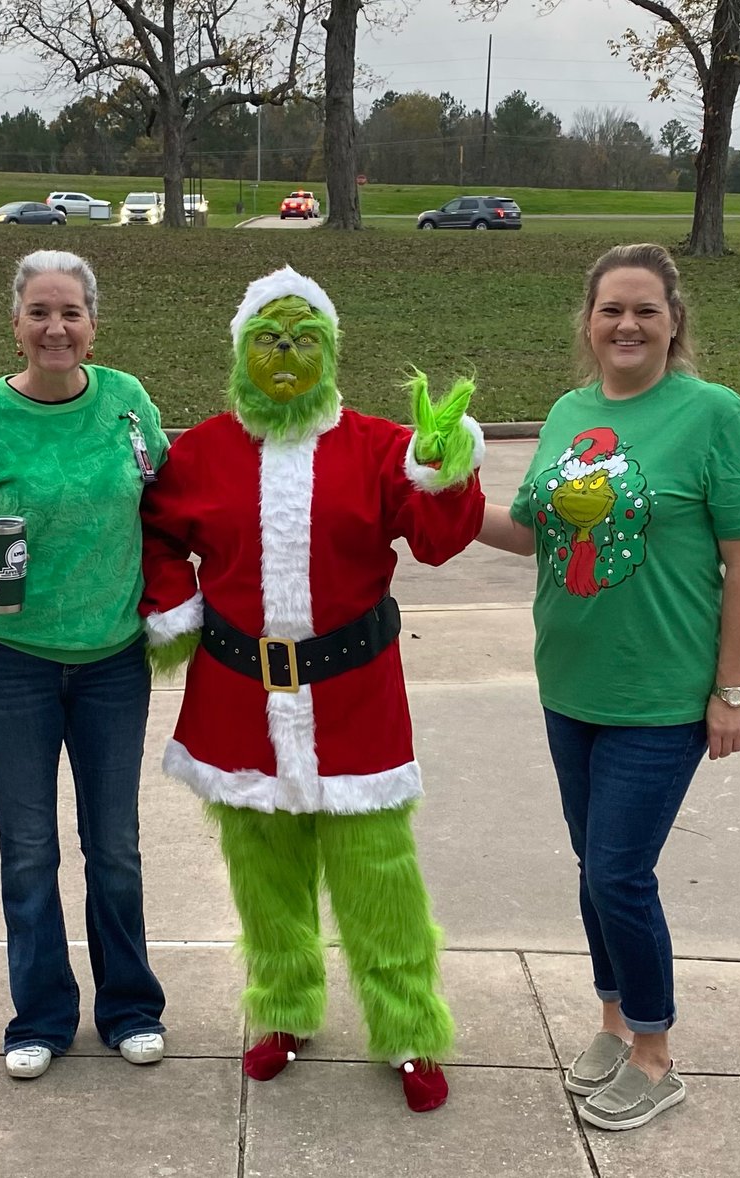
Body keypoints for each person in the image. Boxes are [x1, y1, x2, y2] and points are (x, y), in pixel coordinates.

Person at [137, 266, 485, 1111]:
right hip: (236, 703)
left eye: (303, 340)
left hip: (355, 700)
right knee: (263, 875)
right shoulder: (201, 451)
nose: (285, 355)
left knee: (378, 875)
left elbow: (438, 542)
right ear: (239, 352)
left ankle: (407, 1028)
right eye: (268, 339)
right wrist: (174, 608)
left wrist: (445, 468)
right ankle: (284, 1011)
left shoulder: (375, 446)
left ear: (331, 352)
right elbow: (153, 535)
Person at [478, 243, 740, 1130]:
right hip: (569, 685)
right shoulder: (570, 411)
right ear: (589, 320)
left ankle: (655, 1055)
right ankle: (612, 1019)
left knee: (619, 872)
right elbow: (532, 533)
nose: (627, 325)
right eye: (612, 309)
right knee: (593, 866)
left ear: (673, 321)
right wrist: (434, 509)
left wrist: (732, 690)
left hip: (662, 692)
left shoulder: (714, 415)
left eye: (646, 309)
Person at [0, 249, 169, 1080]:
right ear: (15, 323)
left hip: (112, 662)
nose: (55, 327)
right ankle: (41, 1016)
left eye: (71, 312)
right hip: (9, 663)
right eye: (39, 313)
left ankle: (130, 1008)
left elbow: (167, 493)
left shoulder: (127, 402)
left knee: (115, 845)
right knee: (28, 847)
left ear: (93, 324)